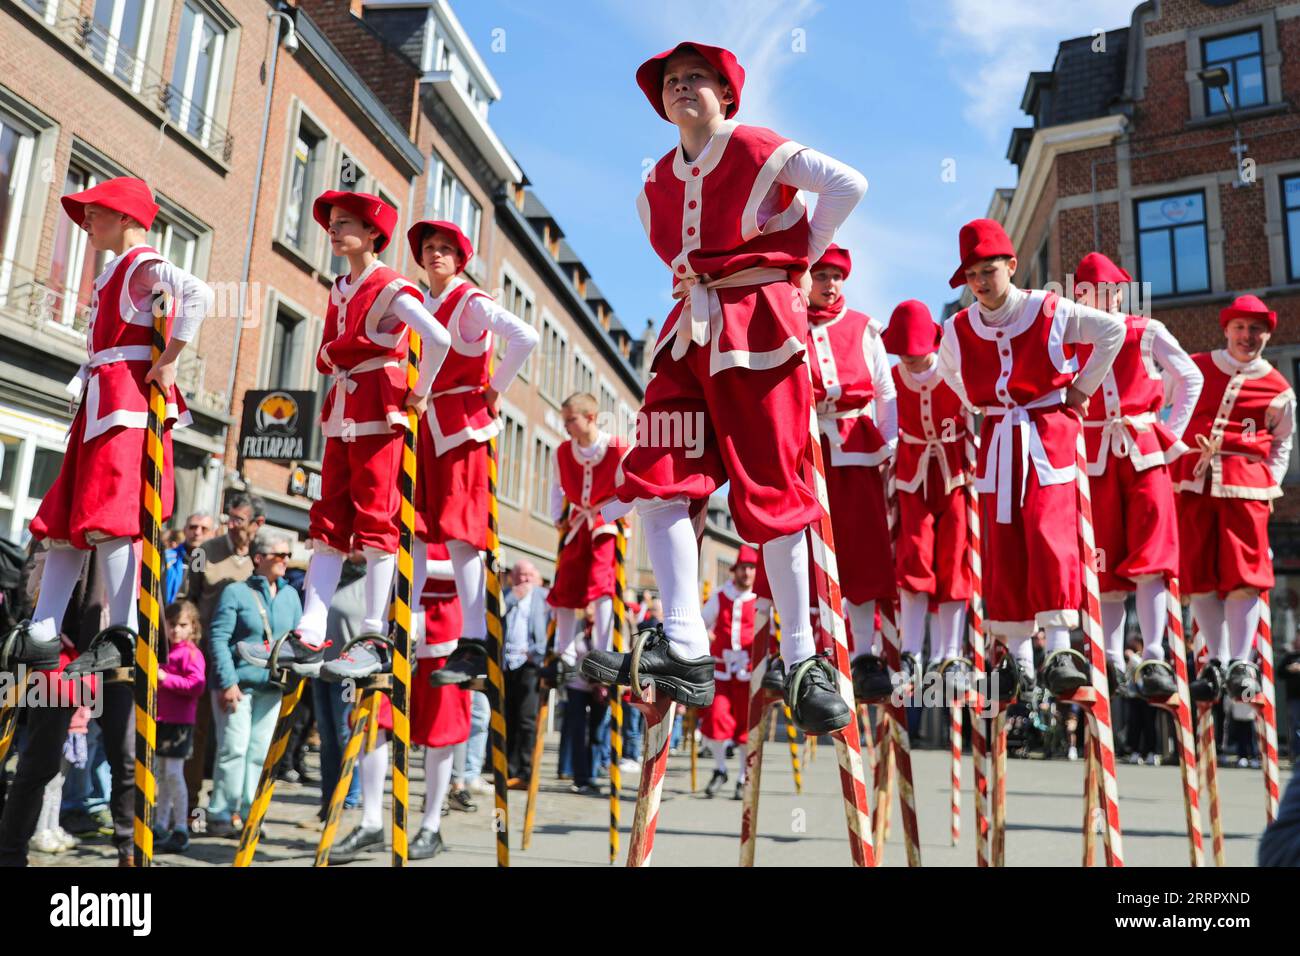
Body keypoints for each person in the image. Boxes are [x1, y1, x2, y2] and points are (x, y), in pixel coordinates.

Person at [584, 42, 868, 736]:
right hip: (694, 331)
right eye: (672, 83)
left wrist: (801, 256)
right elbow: (674, 253)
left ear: (725, 93)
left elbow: (847, 183)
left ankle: (802, 657)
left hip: (759, 328)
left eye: (696, 80)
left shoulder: (756, 145)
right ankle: (684, 642)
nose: (682, 89)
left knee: (771, 487)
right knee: (660, 474)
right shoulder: (653, 180)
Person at [2, 176, 212, 674]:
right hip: (98, 402)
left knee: (112, 513)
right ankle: (45, 630)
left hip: (123, 404)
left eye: (96, 212)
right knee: (66, 518)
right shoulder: (114, 270)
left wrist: (171, 360)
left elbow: (198, 294)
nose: (87, 222)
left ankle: (125, 631)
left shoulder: (141, 263)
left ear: (125, 217)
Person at [239, 192, 450, 680]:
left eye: (345, 223)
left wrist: (419, 393)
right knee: (329, 517)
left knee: (377, 520)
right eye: (331, 223)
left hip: (379, 403)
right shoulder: (340, 287)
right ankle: (311, 631)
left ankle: (376, 636)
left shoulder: (393, 286)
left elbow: (438, 338)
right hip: (345, 405)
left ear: (374, 231)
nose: (333, 231)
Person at [936, 219, 1125, 699]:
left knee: (1049, 532)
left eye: (989, 270)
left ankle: (1060, 647)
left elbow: (1113, 330)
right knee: (1005, 543)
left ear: (1011, 266)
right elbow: (947, 369)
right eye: (973, 274)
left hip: (1047, 434)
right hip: (1000, 439)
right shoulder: (958, 328)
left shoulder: (1050, 308)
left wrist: (1080, 389)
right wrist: (982, 405)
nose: (981, 281)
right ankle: (1019, 658)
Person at [402, 219, 538, 688]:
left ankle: (475, 639)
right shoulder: (421, 302)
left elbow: (526, 337)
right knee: (418, 527)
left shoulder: (470, 300)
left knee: (462, 535)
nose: (435, 254)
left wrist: (494, 389)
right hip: (426, 423)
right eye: (429, 248)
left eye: (445, 248)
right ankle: (408, 622)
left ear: (460, 259)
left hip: (461, 425)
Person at [1071, 252, 1203, 699]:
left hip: (1143, 451)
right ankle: (1106, 658)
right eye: (1087, 292)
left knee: (1151, 557)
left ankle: (1152, 654)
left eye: (1106, 291)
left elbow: (1190, 377)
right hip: (1093, 457)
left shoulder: (1147, 331)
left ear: (1120, 294)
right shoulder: (1069, 337)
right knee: (1103, 561)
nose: (1097, 299)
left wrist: (1169, 433)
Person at [1174, 295, 1295, 704]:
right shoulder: (1194, 367)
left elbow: (1282, 442)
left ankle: (1242, 662)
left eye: (1256, 329)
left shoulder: (1279, 386)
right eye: (1240, 327)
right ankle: (1216, 660)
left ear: (1267, 334)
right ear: (1226, 330)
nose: (1248, 336)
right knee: (1199, 573)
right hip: (1194, 483)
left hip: (1246, 488)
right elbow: (1160, 404)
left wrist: (1270, 483)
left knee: (1244, 575)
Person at [333, 544, 471, 862]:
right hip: (395, 624)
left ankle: (432, 824)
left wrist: (404, 557)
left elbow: (471, 561)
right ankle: (370, 822)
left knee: (442, 730)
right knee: (374, 720)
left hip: (444, 629)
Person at [880, 298, 974, 698]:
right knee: (913, 556)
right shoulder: (891, 378)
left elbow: (976, 415)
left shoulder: (954, 372)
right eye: (905, 354)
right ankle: (911, 650)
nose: (911, 361)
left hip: (953, 472)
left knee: (954, 558)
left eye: (917, 354)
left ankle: (949, 653)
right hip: (912, 471)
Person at [207, 530, 300, 837]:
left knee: (259, 752)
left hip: (272, 686)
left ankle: (250, 813)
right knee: (233, 748)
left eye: (288, 555)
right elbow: (218, 638)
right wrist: (227, 681)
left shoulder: (290, 595)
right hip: (239, 683)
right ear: (259, 559)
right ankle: (221, 813)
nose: (286, 561)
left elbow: (297, 640)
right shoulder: (236, 592)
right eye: (280, 555)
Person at [178, 491, 263, 820]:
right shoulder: (203, 552)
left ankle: (231, 806)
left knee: (237, 739)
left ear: (257, 524)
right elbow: (187, 597)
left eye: (239, 520)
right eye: (229, 519)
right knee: (197, 732)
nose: (232, 526)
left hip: (243, 661)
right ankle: (188, 805)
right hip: (204, 657)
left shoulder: (263, 554)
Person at [548, 394, 629, 676]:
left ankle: (602, 652)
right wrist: (557, 517)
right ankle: (565, 653)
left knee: (601, 583)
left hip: (605, 525)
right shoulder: (562, 452)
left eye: (571, 419)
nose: (566, 426)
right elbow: (556, 487)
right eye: (565, 420)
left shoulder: (617, 448)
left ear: (591, 418)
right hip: (576, 523)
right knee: (566, 584)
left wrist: (607, 516)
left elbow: (630, 491)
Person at [700, 546, 759, 799]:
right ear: (735, 570)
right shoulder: (720, 595)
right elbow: (701, 622)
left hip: (748, 671)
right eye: (743, 568)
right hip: (721, 669)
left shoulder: (760, 600)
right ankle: (720, 768)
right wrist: (706, 639)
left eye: (751, 568)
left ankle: (742, 776)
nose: (747, 573)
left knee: (746, 726)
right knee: (715, 718)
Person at [155, 600, 205, 853]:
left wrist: (166, 678)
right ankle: (160, 824)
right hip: (160, 721)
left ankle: (181, 827)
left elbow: (197, 686)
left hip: (180, 723)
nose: (175, 630)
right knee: (161, 775)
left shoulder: (192, 653)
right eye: (172, 624)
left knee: (174, 774)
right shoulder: (162, 651)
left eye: (182, 625)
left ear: (192, 627)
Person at [502, 559, 549, 787]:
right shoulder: (506, 595)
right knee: (507, 717)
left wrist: (538, 652)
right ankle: (508, 769)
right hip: (506, 663)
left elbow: (552, 628)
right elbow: (495, 615)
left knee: (526, 719)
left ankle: (525, 770)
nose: (526, 580)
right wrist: (513, 596)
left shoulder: (542, 597)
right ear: (513, 576)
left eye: (530, 575)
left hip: (529, 664)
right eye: (521, 575)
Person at [164, 511, 214, 605]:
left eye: (204, 529)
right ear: (184, 530)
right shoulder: (166, 558)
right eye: (193, 527)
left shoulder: (216, 562)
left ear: (212, 533)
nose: (197, 532)